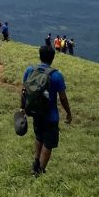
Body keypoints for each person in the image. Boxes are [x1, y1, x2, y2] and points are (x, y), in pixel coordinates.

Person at [21, 44, 72, 177]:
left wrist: (22, 107)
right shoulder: (56, 76)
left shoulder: (30, 70)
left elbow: (24, 91)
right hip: (51, 116)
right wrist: (68, 112)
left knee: (39, 137)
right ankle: (39, 172)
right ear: (52, 58)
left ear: (40, 55)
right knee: (48, 144)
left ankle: (36, 163)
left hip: (35, 112)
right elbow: (62, 97)